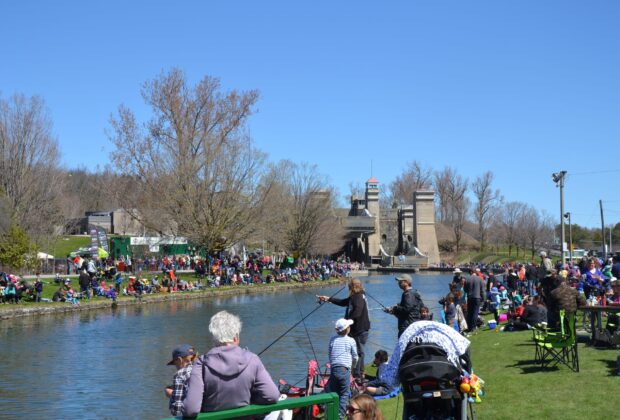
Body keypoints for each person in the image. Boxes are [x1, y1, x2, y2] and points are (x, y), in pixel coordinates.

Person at [182, 311, 280, 416]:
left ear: (214, 338)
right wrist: (250, 400)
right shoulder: (253, 359)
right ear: (235, 337)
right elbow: (272, 396)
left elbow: (191, 409)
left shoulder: (201, 365)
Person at [317, 278, 370, 381]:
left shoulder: (358, 297)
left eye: (349, 286)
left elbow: (357, 312)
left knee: (359, 352)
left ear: (353, 287)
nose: (348, 288)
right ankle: (357, 373)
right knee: (356, 351)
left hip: (359, 329)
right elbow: (343, 302)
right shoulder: (355, 296)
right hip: (356, 328)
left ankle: (357, 376)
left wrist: (346, 323)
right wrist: (328, 299)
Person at [326, 318, 358, 420]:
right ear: (347, 329)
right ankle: (340, 416)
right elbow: (355, 357)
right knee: (344, 394)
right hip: (345, 370)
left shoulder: (332, 339)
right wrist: (353, 367)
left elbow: (330, 355)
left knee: (334, 393)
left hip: (334, 369)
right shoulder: (351, 340)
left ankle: (330, 415)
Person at [165, 344, 197, 416]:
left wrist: (172, 395)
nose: (176, 367)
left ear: (180, 360)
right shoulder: (202, 367)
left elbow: (176, 410)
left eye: (175, 364)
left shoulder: (180, 374)